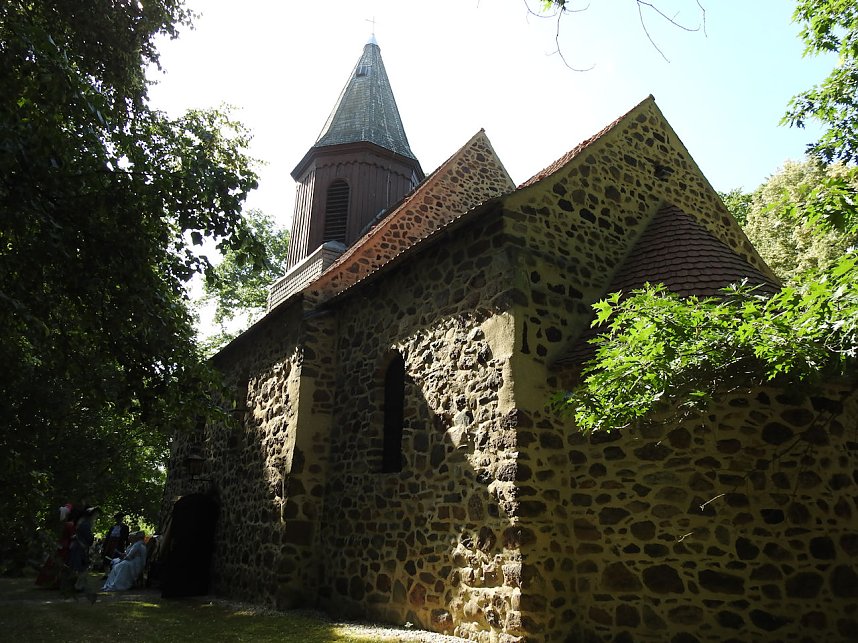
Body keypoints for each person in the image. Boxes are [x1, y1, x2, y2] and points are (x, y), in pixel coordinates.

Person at [35, 504, 75, 588]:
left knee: (53, 562)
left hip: (60, 544)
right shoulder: (69, 525)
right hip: (66, 545)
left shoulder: (61, 524)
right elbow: (71, 536)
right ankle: (57, 582)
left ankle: (49, 581)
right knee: (62, 563)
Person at [68, 506, 99, 587]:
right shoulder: (86, 524)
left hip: (79, 547)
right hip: (79, 548)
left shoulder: (84, 523)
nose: (96, 516)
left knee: (79, 567)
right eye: (95, 515)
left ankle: (77, 585)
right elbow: (88, 538)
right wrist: (92, 539)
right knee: (80, 568)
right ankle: (77, 586)